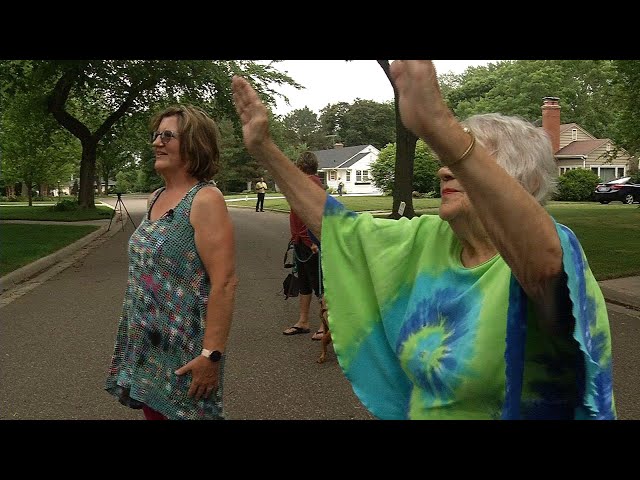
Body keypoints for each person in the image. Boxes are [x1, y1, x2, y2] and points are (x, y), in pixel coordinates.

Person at [232, 61, 616, 420]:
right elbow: (338, 227)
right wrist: (265, 149)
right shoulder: (429, 238)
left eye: (466, 156)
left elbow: (544, 265)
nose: (444, 167)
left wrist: (438, 124)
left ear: (523, 182)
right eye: (446, 155)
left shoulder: (550, 250)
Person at [105, 104, 238, 420]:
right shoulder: (156, 197)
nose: (156, 142)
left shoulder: (205, 199)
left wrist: (211, 355)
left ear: (194, 144)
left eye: (168, 135)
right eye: (156, 135)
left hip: (185, 354)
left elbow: (225, 282)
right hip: (150, 350)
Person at [281, 152, 326, 341]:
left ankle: (326, 325)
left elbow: (315, 214)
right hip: (301, 242)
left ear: (300, 166)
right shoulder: (307, 183)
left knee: (320, 286)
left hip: (311, 244)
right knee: (305, 283)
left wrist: (313, 242)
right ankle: (303, 321)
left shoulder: (311, 184)